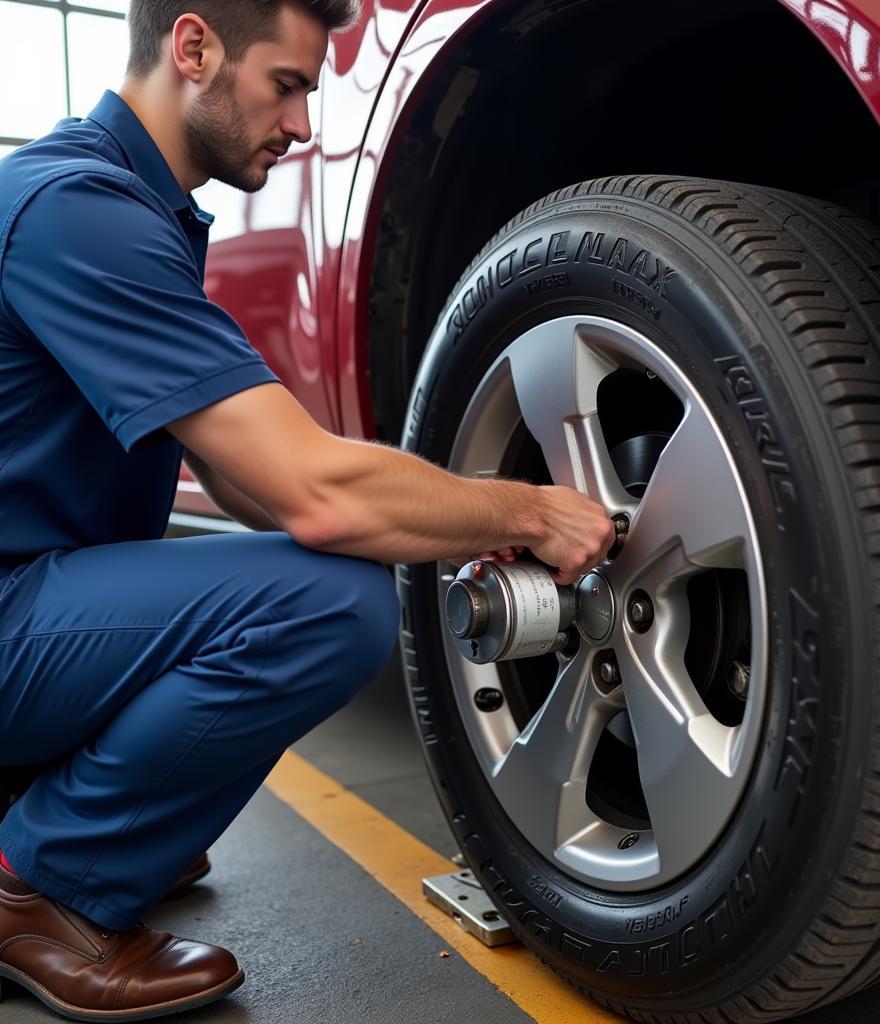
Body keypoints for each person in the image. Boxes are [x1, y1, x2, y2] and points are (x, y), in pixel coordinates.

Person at [0, 1, 615, 1019]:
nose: (301, 124)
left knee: (307, 573)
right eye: (284, 85)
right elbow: (311, 496)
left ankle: (62, 812)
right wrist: (533, 508)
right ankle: (40, 884)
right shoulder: (78, 210)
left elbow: (251, 485)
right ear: (193, 47)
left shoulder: (121, 201)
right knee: (331, 603)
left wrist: (458, 512)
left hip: (30, 594)